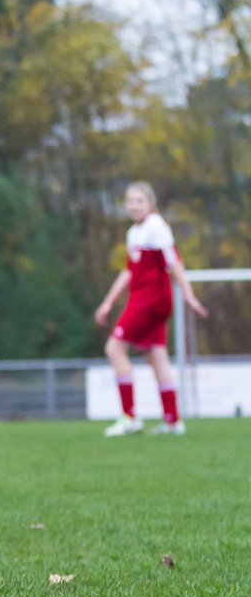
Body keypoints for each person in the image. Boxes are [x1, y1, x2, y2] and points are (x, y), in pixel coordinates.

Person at [95, 181, 208, 436]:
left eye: (139, 200)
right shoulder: (134, 232)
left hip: (151, 299)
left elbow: (174, 262)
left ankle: (129, 416)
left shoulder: (156, 226)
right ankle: (172, 420)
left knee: (114, 348)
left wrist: (189, 295)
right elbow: (128, 271)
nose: (133, 205)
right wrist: (109, 301)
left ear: (150, 203)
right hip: (149, 299)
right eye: (129, 201)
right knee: (155, 354)